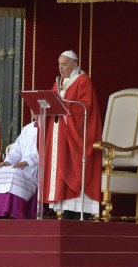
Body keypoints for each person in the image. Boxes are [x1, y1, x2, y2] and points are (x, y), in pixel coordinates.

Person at [42, 50, 103, 220]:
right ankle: (65, 210)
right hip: (59, 135)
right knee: (60, 165)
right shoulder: (58, 82)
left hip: (76, 136)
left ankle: (79, 213)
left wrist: (67, 109)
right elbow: (51, 104)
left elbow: (86, 108)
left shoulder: (83, 81)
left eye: (64, 64)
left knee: (74, 169)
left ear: (75, 64)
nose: (61, 68)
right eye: (59, 64)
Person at [0, 116, 39, 219]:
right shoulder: (27, 128)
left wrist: (28, 161)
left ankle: (14, 214)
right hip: (21, 165)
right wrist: (8, 161)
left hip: (37, 167)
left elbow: (47, 152)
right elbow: (16, 151)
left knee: (15, 174)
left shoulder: (51, 128)